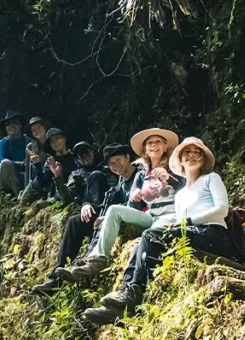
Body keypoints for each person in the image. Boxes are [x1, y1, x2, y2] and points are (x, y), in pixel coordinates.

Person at [84, 137, 231, 325]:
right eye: (187, 153)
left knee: (151, 235)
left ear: (204, 159)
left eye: (197, 153)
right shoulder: (180, 195)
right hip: (192, 233)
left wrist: (189, 221)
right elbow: (177, 221)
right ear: (180, 160)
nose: (192, 156)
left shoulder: (211, 178)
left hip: (214, 234)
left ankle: (135, 294)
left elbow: (222, 209)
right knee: (140, 246)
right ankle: (124, 295)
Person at [55, 128, 183, 281]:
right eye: (149, 143)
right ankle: (97, 260)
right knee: (113, 210)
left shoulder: (174, 167)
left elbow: (187, 186)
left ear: (165, 147)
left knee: (149, 237)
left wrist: (168, 178)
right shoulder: (142, 174)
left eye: (157, 142)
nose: (153, 146)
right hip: (151, 216)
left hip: (170, 215)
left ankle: (133, 283)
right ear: (145, 150)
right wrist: (134, 197)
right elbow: (131, 203)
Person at [32, 143, 138, 295]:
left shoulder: (120, 174)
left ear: (128, 158)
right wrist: (60, 178)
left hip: (118, 214)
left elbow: (124, 199)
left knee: (96, 176)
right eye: (80, 155)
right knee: (75, 222)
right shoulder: (77, 174)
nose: (85, 156)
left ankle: (90, 260)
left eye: (87, 152)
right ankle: (56, 278)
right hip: (98, 211)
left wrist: (105, 212)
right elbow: (67, 198)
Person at [0, 110, 29, 194]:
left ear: (20, 125)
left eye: (14, 123)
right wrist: (20, 164)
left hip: (26, 177)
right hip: (7, 181)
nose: (11, 126)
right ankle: (20, 197)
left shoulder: (30, 142)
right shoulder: (1, 144)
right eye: (8, 124)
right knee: (5, 163)